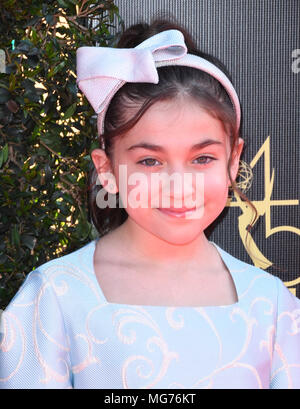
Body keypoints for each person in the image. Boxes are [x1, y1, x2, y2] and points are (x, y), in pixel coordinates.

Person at [1, 19, 300, 390]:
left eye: (202, 158)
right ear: (106, 169)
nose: (179, 186)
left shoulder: (271, 307)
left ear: (233, 161)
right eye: (150, 161)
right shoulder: (53, 298)